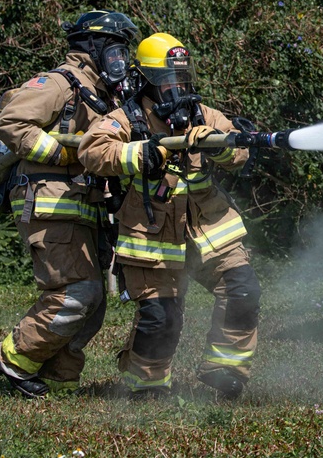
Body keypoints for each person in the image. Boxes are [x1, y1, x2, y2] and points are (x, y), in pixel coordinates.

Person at [78, 32, 261, 399]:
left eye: (182, 78)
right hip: (152, 235)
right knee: (162, 318)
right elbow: (91, 150)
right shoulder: (126, 118)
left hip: (210, 229)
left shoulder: (203, 114)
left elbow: (239, 151)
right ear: (145, 81)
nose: (176, 88)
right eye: (166, 80)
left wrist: (220, 145)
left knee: (243, 290)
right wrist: (138, 154)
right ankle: (145, 388)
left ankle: (226, 370)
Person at [0, 9, 140, 398]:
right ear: (92, 48)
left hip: (82, 207)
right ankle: (14, 359)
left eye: (124, 53)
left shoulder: (103, 96)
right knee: (77, 292)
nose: (120, 61)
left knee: (94, 303)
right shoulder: (59, 83)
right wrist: (63, 156)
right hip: (48, 204)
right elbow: (13, 122)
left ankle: (55, 375)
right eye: (115, 51)